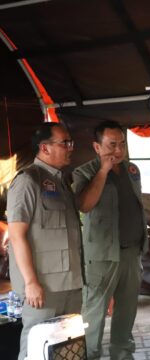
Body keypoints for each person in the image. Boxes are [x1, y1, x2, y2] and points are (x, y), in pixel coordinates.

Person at [72, 120, 148, 359]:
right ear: (97, 147)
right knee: (94, 313)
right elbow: (84, 205)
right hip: (102, 257)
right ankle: (91, 355)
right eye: (111, 145)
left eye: (122, 144)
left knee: (126, 311)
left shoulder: (131, 169)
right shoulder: (84, 172)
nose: (118, 151)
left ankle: (123, 354)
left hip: (131, 253)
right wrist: (103, 171)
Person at [7, 122, 83, 360]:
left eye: (70, 142)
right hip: (43, 287)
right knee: (36, 345)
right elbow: (16, 235)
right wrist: (30, 282)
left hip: (70, 283)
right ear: (45, 148)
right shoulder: (28, 180)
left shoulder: (61, 181)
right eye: (64, 143)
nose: (70, 148)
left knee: (65, 346)